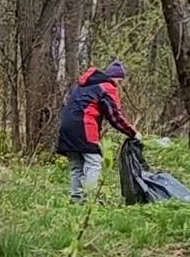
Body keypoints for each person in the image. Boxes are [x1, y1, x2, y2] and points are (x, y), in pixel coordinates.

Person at [54, 60, 138, 203]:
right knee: (94, 162)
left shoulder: (82, 86)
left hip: (66, 126)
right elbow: (115, 117)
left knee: (77, 165)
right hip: (84, 126)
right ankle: (90, 199)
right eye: (120, 80)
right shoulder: (106, 87)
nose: (120, 84)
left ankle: (76, 199)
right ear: (114, 77)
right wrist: (133, 133)